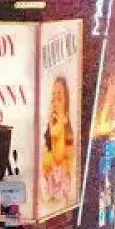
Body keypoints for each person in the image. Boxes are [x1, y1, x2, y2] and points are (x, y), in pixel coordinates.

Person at [41, 74, 76, 207]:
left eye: (59, 98)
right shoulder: (47, 141)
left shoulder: (65, 133)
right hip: (50, 201)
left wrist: (56, 123)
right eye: (53, 98)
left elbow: (58, 157)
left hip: (60, 200)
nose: (54, 102)